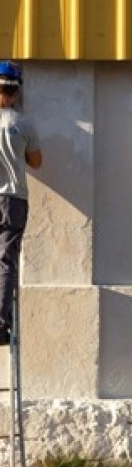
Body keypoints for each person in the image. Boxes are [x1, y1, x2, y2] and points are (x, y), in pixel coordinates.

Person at [0, 61, 42, 345]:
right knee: (5, 261)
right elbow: (37, 162)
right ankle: (1, 324)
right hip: (13, 198)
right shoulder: (23, 123)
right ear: (17, 92)